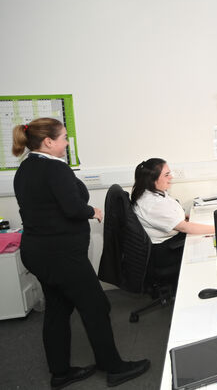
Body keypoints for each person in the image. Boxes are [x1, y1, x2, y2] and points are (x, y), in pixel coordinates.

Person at [12, 118, 150, 389]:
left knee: (58, 308)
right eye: (63, 138)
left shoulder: (26, 168)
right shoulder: (55, 169)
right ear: (48, 142)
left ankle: (60, 372)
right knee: (97, 306)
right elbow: (73, 207)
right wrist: (93, 212)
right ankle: (114, 367)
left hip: (36, 251)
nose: (66, 143)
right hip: (61, 255)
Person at [131, 158, 214, 272]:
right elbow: (184, 227)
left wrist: (184, 217)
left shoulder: (156, 192)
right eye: (166, 175)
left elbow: (172, 213)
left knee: (207, 241)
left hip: (172, 241)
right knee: (210, 251)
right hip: (165, 251)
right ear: (153, 180)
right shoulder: (152, 204)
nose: (171, 177)